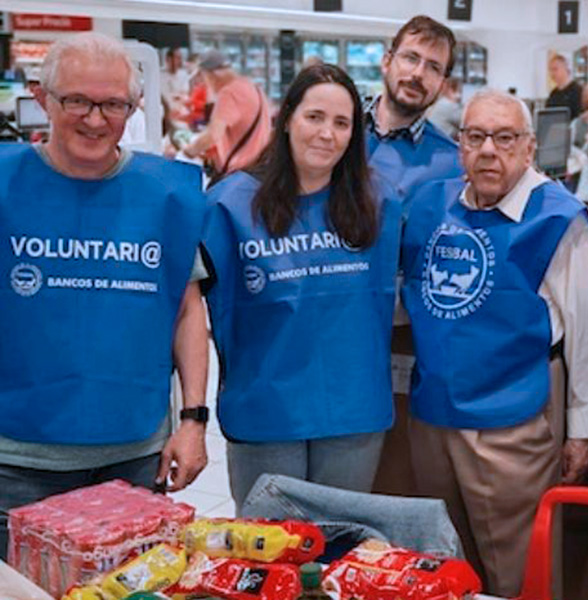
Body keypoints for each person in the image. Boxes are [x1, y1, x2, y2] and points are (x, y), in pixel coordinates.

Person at [0, 32, 209, 557]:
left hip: (134, 454)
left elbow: (188, 311)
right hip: (18, 460)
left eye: (113, 104)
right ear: (41, 97)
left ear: (133, 107)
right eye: (77, 100)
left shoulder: (167, 196)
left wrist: (193, 422)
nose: (95, 119)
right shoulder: (5, 185)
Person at [400, 89, 588, 596]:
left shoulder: (557, 219)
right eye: (475, 137)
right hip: (433, 416)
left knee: (519, 572)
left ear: (529, 147)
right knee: (442, 563)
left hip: (512, 424)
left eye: (504, 137)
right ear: (460, 147)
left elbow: (586, 337)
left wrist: (583, 432)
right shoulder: (431, 206)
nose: (489, 149)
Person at [203, 64, 401, 512]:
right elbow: (189, 310)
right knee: (268, 554)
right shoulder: (230, 204)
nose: (326, 134)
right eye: (315, 117)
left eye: (341, 122)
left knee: (336, 552)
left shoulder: (379, 204)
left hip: (353, 412)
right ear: (287, 117)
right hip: (266, 409)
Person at [366, 15, 463, 206]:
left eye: (433, 68)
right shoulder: (340, 129)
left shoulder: (453, 166)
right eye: (411, 58)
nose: (418, 74)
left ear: (442, 84)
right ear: (387, 62)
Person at [183, 50, 271, 183]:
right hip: (260, 171)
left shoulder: (229, 93)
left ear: (211, 75)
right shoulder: (254, 88)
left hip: (239, 175)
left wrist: (188, 152)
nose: (205, 84)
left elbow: (212, 135)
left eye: (204, 78)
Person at [545, 53, 582, 120]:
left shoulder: (578, 91)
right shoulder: (553, 94)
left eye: (555, 69)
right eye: (550, 70)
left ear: (566, 69)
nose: (552, 73)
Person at [427, 76, 462, 140]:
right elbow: (465, 122)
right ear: (451, 90)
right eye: (459, 90)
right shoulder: (449, 105)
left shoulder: (434, 102)